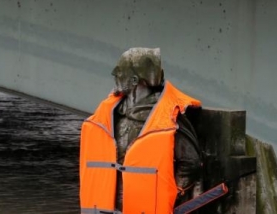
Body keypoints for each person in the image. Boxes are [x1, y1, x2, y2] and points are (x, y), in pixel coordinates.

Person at [80, 48, 203, 214]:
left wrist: (172, 192)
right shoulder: (110, 114)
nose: (114, 73)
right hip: (108, 208)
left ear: (134, 80)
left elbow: (191, 163)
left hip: (146, 208)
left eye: (120, 70)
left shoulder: (168, 117)